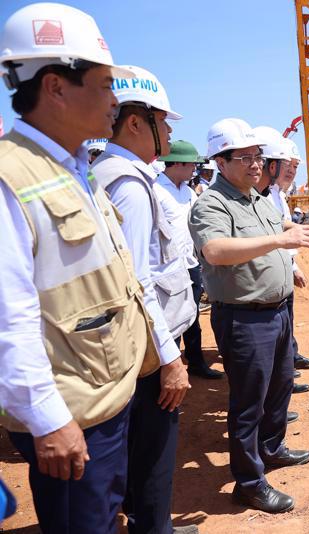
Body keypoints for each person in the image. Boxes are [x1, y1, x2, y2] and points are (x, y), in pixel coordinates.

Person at [0, 4, 158, 533]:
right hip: (71, 418)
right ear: (56, 87)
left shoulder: (77, 168)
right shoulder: (10, 177)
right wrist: (47, 420)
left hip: (103, 399)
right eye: (105, 84)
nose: (115, 100)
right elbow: (9, 316)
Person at [189, 118, 309, 514]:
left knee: (279, 386)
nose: (254, 164)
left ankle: (272, 448)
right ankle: (248, 484)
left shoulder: (256, 199)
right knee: (248, 404)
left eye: (257, 157)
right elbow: (215, 251)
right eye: (244, 157)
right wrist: (282, 239)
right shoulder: (211, 204)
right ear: (220, 161)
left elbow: (272, 223)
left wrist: (291, 227)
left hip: (277, 313)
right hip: (245, 318)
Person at [92, 65, 195, 534]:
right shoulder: (130, 187)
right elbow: (139, 283)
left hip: (140, 345)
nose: (170, 132)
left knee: (139, 450)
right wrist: (170, 358)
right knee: (154, 455)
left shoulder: (116, 174)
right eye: (163, 120)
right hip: (152, 350)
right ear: (135, 123)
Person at [253, 126, 309, 395]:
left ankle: (286, 371)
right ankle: (280, 383)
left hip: (279, 273)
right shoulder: (264, 196)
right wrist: (291, 266)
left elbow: (280, 226)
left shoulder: (276, 195)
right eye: (287, 165)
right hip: (264, 283)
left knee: (285, 326)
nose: (291, 171)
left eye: (295, 166)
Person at [155, 140, 224, 379]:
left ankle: (195, 363)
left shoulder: (187, 192)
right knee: (170, 321)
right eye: (191, 165)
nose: (194, 170)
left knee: (192, 316)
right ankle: (168, 368)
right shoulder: (156, 191)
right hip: (167, 268)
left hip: (190, 265)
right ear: (178, 163)